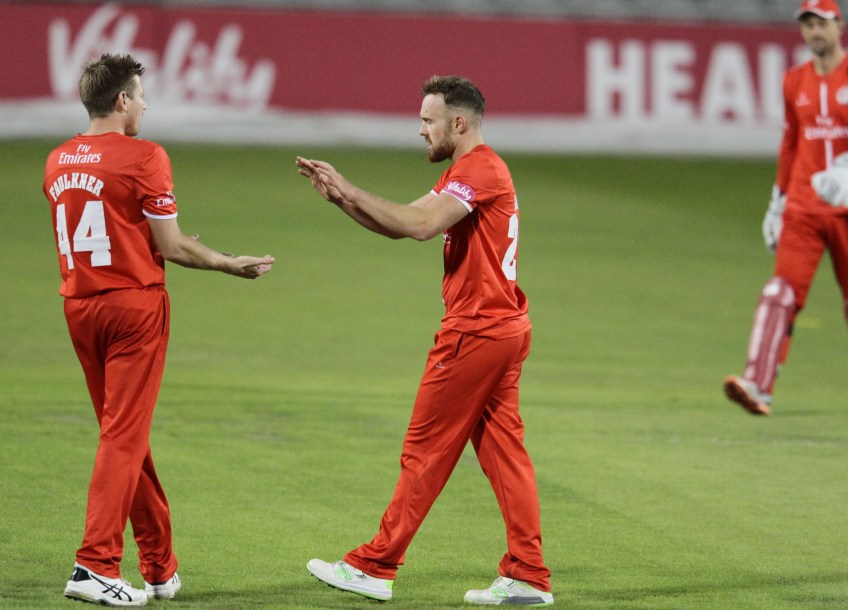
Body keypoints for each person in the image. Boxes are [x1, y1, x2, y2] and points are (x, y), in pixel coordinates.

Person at [296, 75, 553, 607]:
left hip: (475, 332)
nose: (420, 130)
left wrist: (350, 188)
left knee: (426, 449)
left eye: (427, 120)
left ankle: (374, 566)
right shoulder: (471, 170)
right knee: (504, 454)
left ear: (458, 122)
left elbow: (419, 225)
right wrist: (341, 199)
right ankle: (528, 574)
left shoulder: (479, 169)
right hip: (503, 327)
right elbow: (401, 224)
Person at [43, 53, 274, 606]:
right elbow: (171, 246)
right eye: (141, 95)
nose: (145, 105)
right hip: (133, 310)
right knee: (123, 437)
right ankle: (95, 565)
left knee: (124, 434)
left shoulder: (56, 160)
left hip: (80, 306)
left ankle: (159, 566)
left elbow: (112, 227)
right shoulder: (145, 156)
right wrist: (227, 263)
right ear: (122, 99)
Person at [724, 0, 848, 416]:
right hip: (803, 209)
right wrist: (778, 201)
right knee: (780, 292)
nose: (815, 32)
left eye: (822, 24)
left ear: (839, 26)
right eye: (808, 25)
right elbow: (792, 141)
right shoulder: (794, 81)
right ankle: (757, 385)